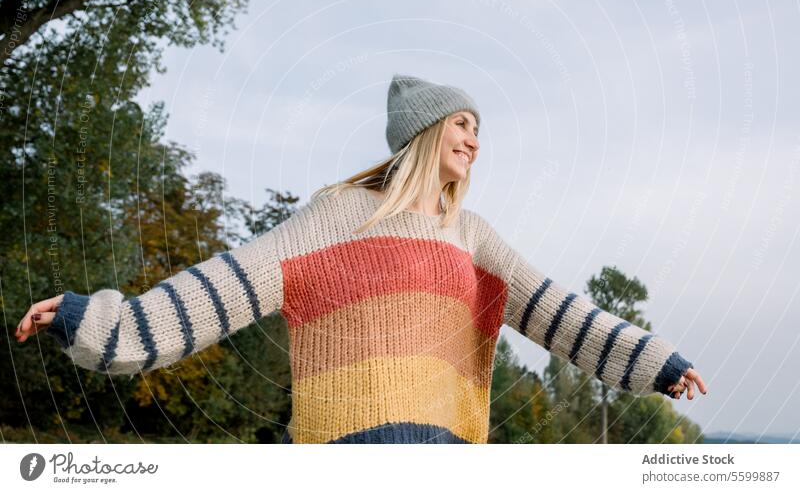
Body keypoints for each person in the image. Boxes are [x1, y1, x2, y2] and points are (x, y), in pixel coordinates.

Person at [15, 73, 707, 444]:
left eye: (479, 129)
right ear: (426, 132)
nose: (475, 139)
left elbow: (563, 315)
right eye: (463, 123)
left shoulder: (472, 234)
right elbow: (217, 291)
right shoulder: (338, 215)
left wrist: (657, 364)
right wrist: (90, 319)